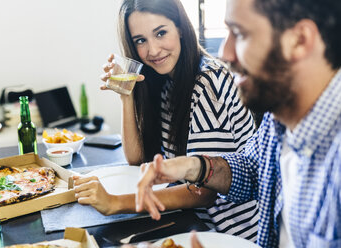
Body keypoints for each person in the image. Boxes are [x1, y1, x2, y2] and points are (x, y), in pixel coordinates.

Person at [135, 0, 341, 247]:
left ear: (299, 39)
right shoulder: (278, 120)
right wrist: (192, 167)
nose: (225, 53)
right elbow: (251, 170)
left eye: (241, 34)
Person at [73, 0, 259, 241]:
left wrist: (115, 203)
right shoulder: (165, 81)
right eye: (141, 40)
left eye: (160, 33)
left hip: (229, 233)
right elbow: (137, 159)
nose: (152, 50)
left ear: (180, 28)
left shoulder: (208, 82)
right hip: (189, 222)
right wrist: (126, 96)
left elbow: (205, 191)